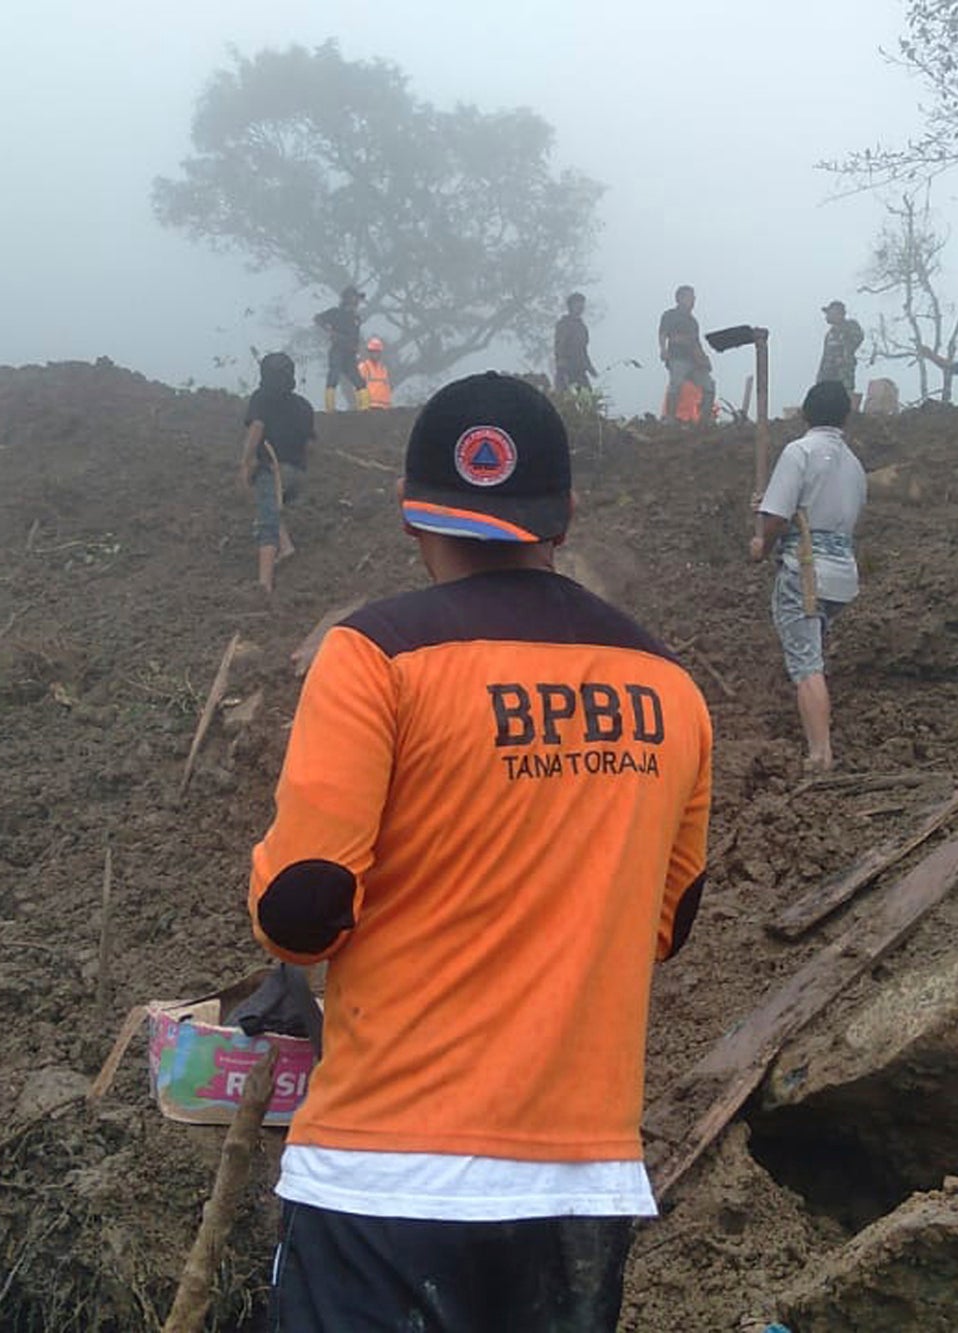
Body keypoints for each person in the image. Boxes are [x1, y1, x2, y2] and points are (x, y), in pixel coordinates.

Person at [248, 371, 712, 1332]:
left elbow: (302, 911)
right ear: (566, 516)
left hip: (384, 1176)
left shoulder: (372, 656)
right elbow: (670, 924)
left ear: (411, 515)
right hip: (581, 1188)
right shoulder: (672, 688)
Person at [750, 380, 868, 770]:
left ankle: (820, 754)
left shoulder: (799, 452)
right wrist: (766, 504)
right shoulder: (853, 464)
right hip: (842, 574)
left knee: (806, 665)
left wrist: (760, 545)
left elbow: (779, 517)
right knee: (811, 652)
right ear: (845, 417)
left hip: (805, 572)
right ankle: (817, 736)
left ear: (804, 413)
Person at [237, 352, 315, 596]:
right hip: (297, 474)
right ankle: (287, 546)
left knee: (266, 522)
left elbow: (257, 428)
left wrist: (245, 462)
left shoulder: (261, 398)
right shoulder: (303, 405)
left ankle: (264, 585)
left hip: (273, 468)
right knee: (270, 505)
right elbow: (310, 443)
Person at [658, 285, 715, 424]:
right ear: (680, 298)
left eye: (693, 297)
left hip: (694, 360)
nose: (693, 300)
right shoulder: (669, 315)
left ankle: (703, 421)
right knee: (675, 385)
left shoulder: (693, 322)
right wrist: (663, 349)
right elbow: (663, 334)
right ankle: (670, 419)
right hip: (677, 357)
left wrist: (703, 359)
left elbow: (696, 342)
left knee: (709, 385)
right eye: (690, 297)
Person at [313, 286, 364, 412]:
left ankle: (364, 407)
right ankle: (330, 408)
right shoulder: (335, 313)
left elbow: (355, 336)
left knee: (357, 378)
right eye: (354, 298)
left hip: (350, 352)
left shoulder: (356, 318)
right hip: (338, 350)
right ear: (347, 299)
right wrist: (328, 329)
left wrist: (357, 347)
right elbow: (318, 318)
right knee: (334, 375)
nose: (357, 301)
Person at [817, 300, 866, 401]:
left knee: (844, 396)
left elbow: (857, 339)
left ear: (838, 314)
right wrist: (820, 376)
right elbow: (825, 355)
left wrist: (844, 356)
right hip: (828, 373)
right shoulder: (830, 334)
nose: (827, 316)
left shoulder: (850, 326)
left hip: (843, 371)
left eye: (829, 313)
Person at [553, 292, 597, 394]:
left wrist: (589, 367)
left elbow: (583, 349)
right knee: (563, 400)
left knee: (587, 399)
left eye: (582, 303)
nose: (581, 306)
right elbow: (559, 345)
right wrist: (561, 363)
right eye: (577, 303)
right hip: (566, 368)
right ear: (571, 306)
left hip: (580, 369)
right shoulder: (564, 324)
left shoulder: (582, 327)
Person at [357, 337, 393, 410]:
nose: (375, 354)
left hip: (384, 407)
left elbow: (387, 387)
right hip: (369, 407)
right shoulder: (364, 367)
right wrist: (361, 406)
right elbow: (358, 389)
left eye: (377, 352)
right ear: (369, 352)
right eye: (373, 352)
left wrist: (389, 406)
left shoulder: (383, 368)